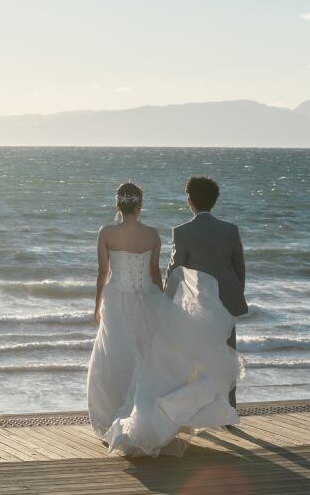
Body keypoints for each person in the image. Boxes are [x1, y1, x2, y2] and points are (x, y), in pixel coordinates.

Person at [87, 182, 240, 457]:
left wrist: (96, 305)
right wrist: (164, 306)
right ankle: (143, 413)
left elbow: (102, 272)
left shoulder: (106, 233)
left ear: (118, 205)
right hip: (146, 298)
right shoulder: (152, 234)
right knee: (146, 356)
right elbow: (155, 275)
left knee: (114, 357)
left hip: (115, 300)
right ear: (140, 204)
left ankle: (111, 418)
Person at [166, 175, 247, 408]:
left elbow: (174, 271)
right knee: (227, 354)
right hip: (226, 304)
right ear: (215, 200)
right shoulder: (230, 230)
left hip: (197, 303)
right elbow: (239, 268)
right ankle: (229, 406)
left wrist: (165, 302)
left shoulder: (182, 232)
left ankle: (199, 405)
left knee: (194, 355)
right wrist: (234, 298)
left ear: (189, 200)